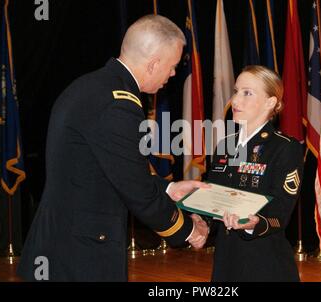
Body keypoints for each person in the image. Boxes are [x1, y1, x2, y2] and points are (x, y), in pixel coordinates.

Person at [17, 15, 209, 282]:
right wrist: (188, 230)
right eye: (173, 66)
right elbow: (136, 189)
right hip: (81, 256)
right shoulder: (118, 104)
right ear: (154, 64)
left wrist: (169, 188)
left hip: (60, 245)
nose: (173, 74)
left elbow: (111, 169)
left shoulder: (90, 86)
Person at [207, 65, 304, 282]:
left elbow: (281, 210)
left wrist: (255, 222)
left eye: (247, 93)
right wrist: (200, 218)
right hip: (225, 261)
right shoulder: (225, 145)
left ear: (270, 102)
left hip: (265, 264)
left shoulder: (285, 148)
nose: (236, 100)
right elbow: (213, 195)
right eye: (236, 91)